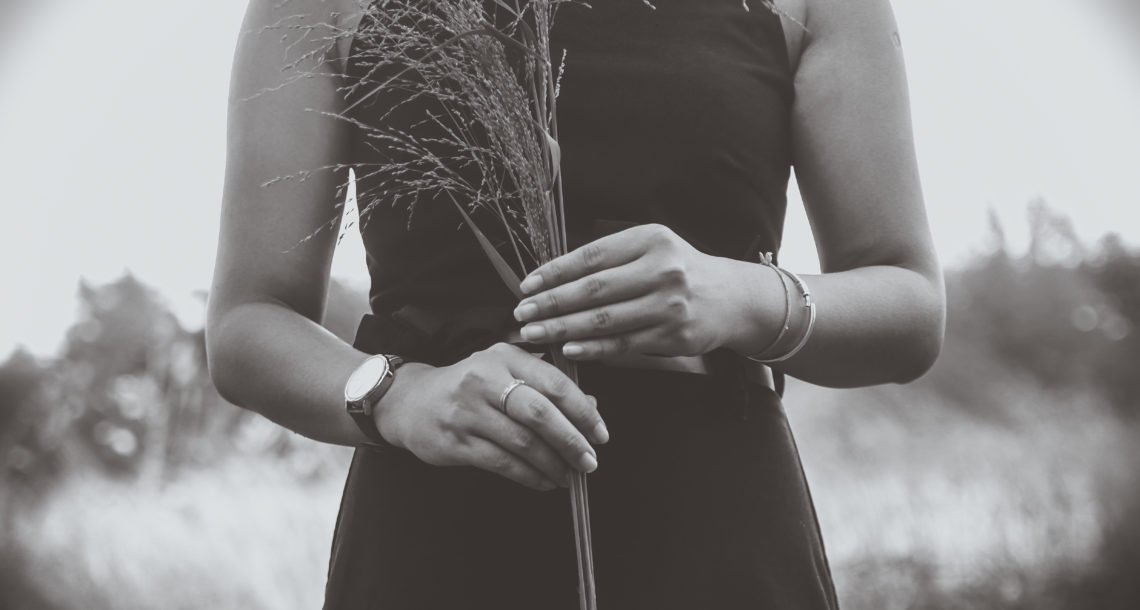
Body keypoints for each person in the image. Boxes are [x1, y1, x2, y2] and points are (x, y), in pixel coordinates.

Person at [207, 0, 945, 607]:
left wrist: (748, 297)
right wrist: (397, 395)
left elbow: (908, 307)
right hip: (436, 537)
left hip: (718, 532)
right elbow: (248, 322)